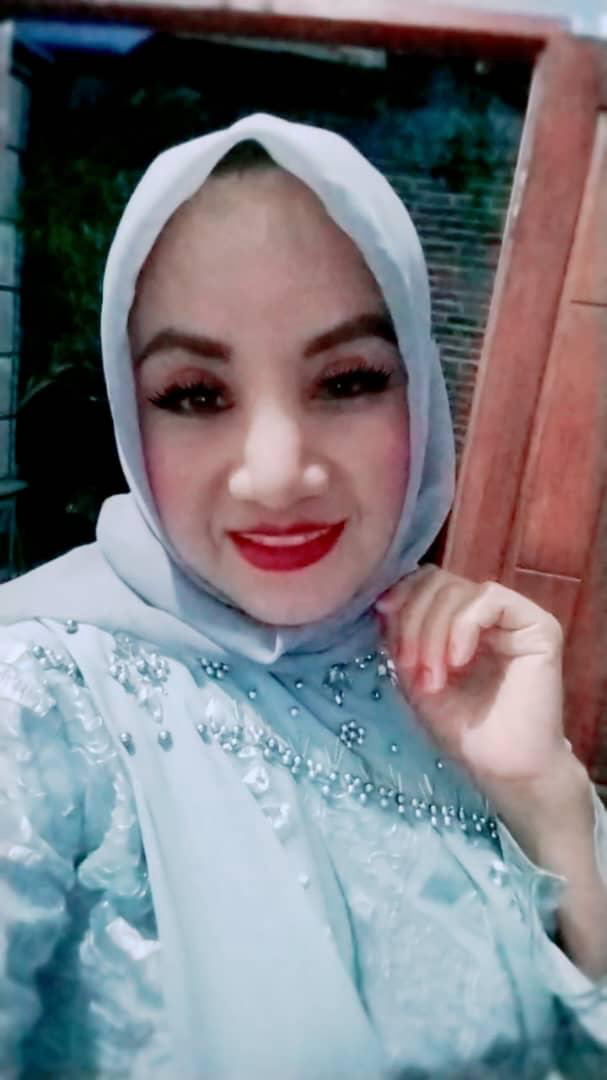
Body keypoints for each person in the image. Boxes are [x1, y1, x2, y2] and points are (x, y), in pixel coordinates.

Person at [0, 112, 605, 1079]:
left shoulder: (452, 676)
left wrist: (549, 801)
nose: (277, 475)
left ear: (419, 395)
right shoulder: (39, 703)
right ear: (128, 411)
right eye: (195, 394)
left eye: (348, 380)